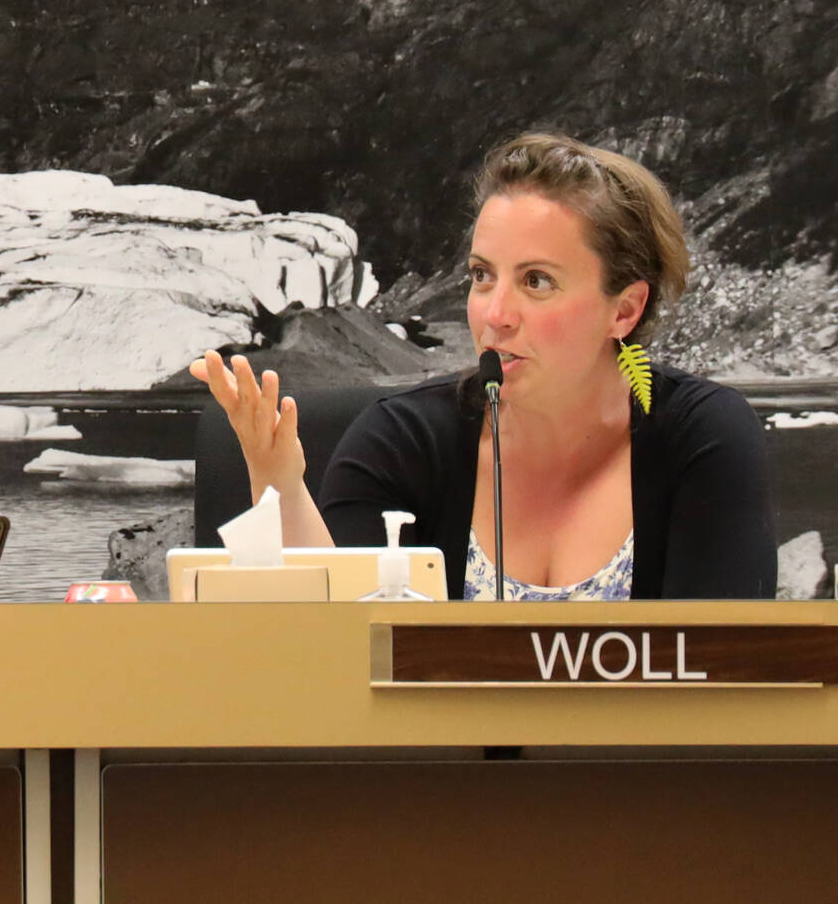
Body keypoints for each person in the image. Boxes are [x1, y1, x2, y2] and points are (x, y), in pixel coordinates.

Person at [191, 132, 774, 600]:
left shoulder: (702, 437)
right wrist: (282, 487)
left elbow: (723, 674)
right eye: (481, 275)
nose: (495, 315)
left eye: (537, 281)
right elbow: (339, 658)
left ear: (624, 310)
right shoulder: (401, 441)